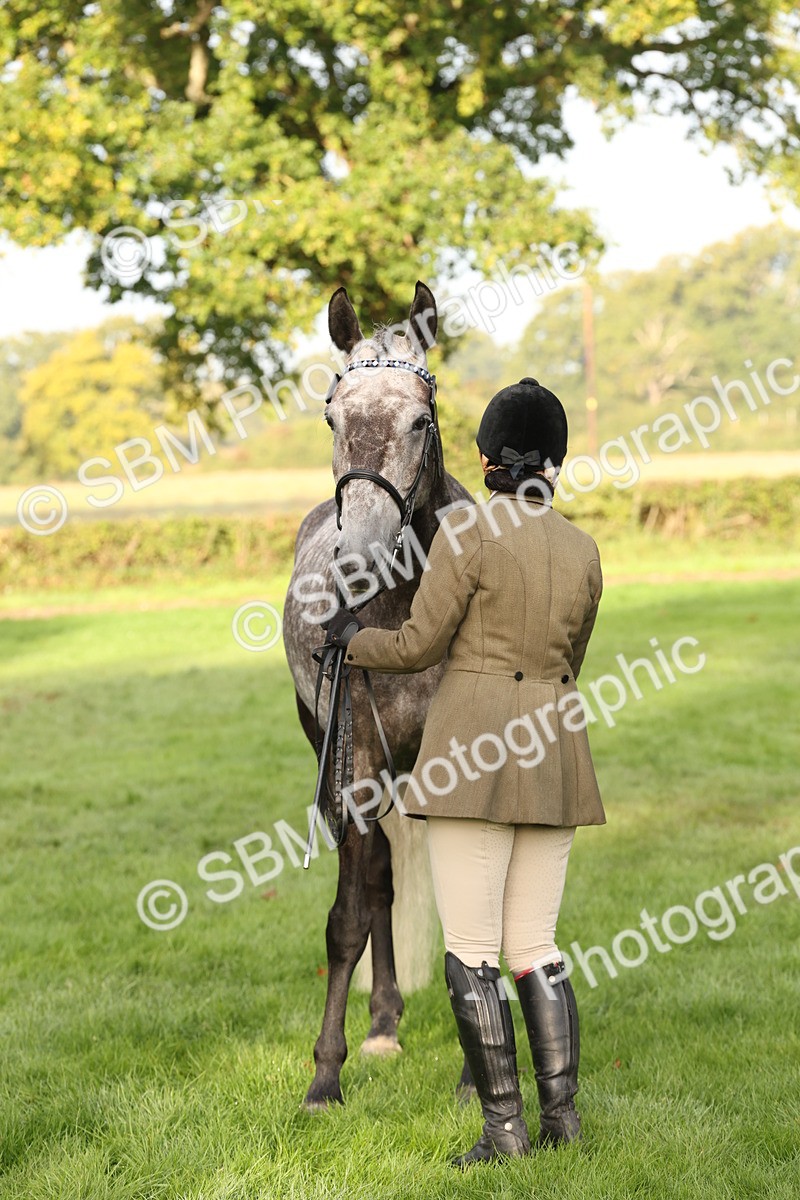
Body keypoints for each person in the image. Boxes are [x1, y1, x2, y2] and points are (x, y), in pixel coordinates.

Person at [324, 377, 605, 1168]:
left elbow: (414, 643)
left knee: (474, 948)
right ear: (555, 460)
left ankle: (503, 1132)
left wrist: (350, 640)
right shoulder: (582, 548)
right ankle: (563, 1124)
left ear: (482, 458)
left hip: (468, 760)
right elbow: (571, 660)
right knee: (537, 947)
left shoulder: (464, 536)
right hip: (554, 755)